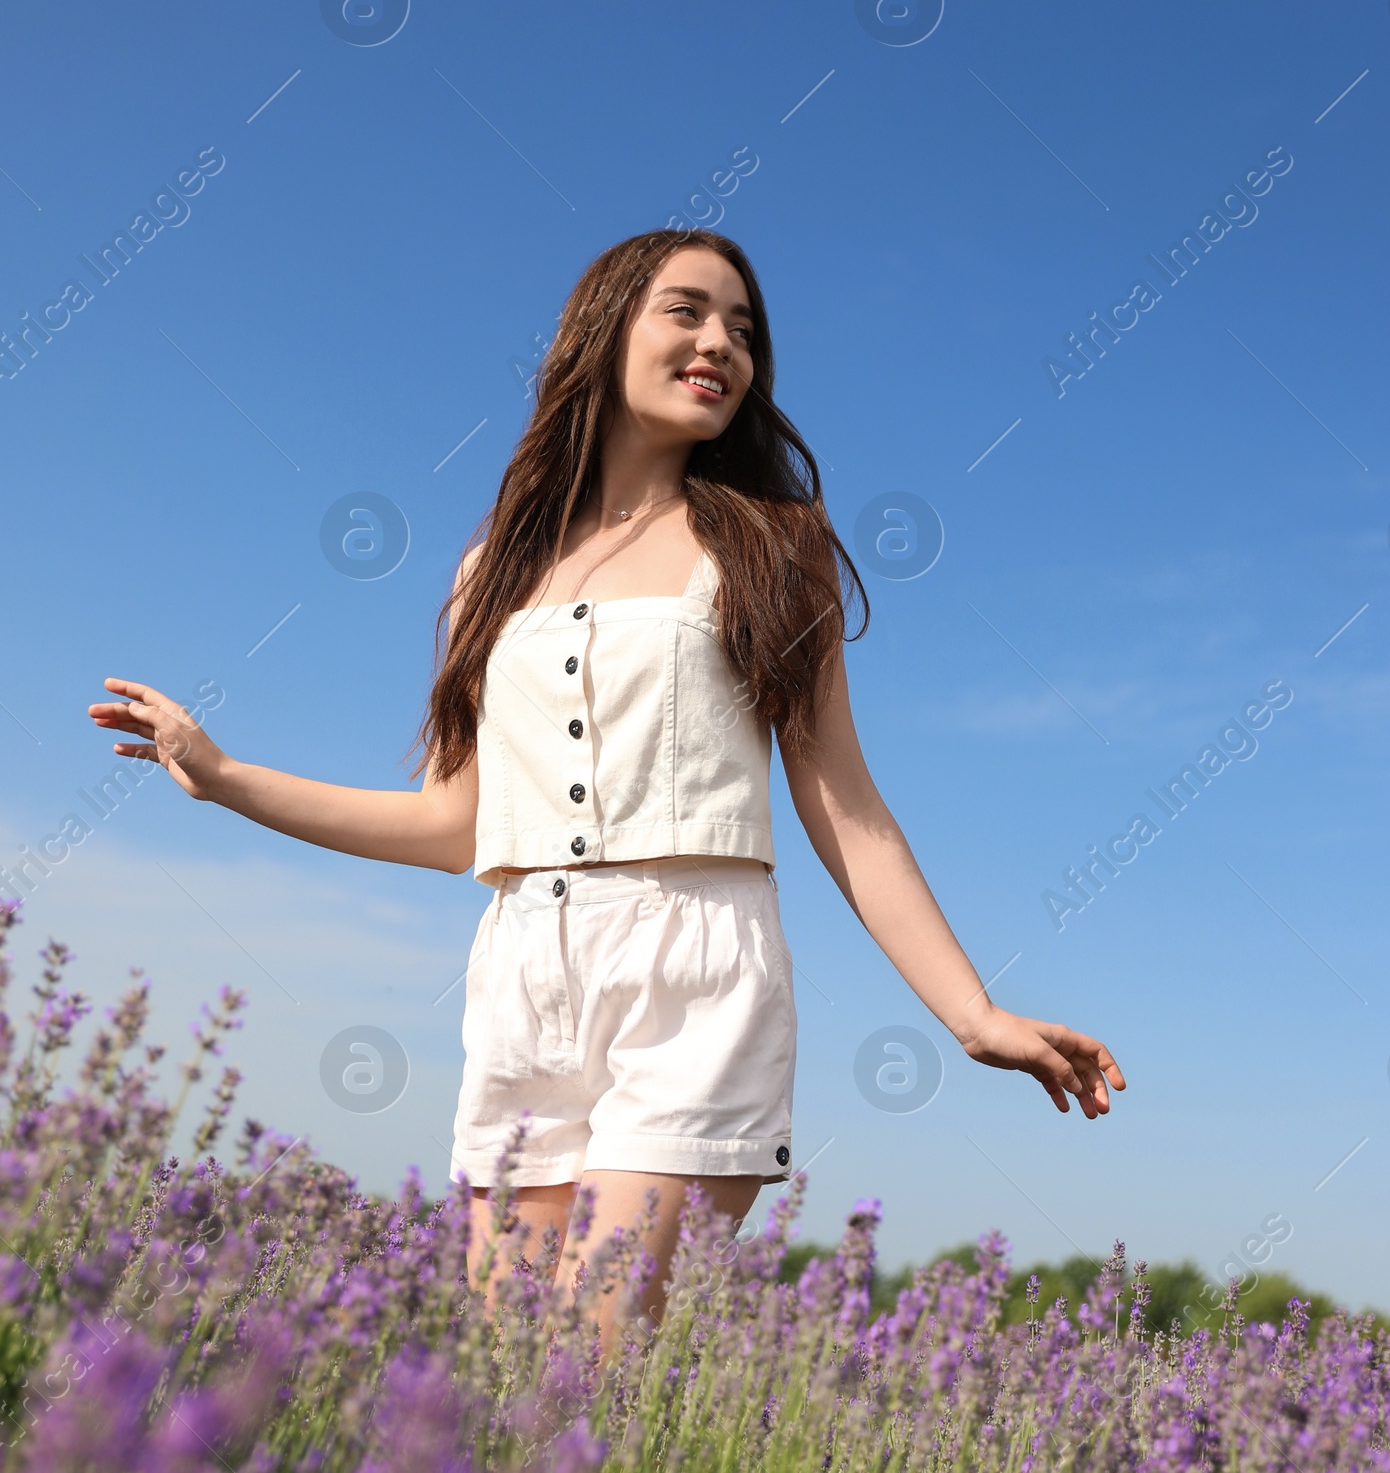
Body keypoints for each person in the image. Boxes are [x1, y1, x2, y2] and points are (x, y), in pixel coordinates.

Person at [88, 229, 1123, 1332]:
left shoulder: (777, 546)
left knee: (592, 1358)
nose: (721, 342)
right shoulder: (490, 571)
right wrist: (227, 776)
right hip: (525, 970)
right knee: (505, 1375)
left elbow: (845, 806)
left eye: (743, 329)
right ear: (603, 332)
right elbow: (453, 825)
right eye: (686, 311)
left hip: (695, 969)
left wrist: (970, 1014)